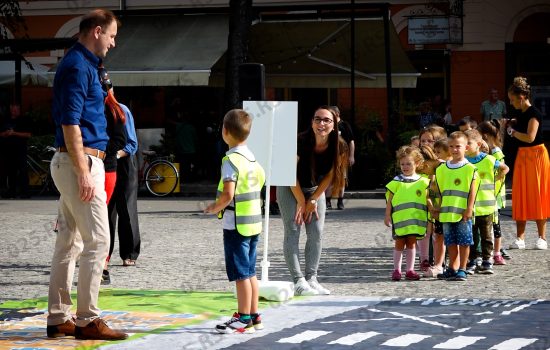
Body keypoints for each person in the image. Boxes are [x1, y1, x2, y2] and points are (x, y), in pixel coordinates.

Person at [46, 9, 127, 340]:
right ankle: (87, 320)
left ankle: (58, 318)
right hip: (80, 162)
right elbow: (71, 123)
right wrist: (83, 172)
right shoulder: (78, 67)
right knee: (99, 241)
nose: (113, 42)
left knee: (69, 242)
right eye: (111, 36)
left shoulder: (83, 64)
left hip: (73, 162)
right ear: (96, 31)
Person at [204, 109, 265, 334]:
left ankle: (244, 318)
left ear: (225, 131)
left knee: (240, 274)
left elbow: (228, 195)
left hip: (236, 224)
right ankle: (254, 314)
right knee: (250, 271)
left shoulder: (230, 161)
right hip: (253, 223)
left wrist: (213, 208)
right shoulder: (253, 159)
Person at [277, 106, 348, 296]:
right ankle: (298, 280)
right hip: (289, 186)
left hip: (315, 190)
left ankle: (312, 278)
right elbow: (288, 173)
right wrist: (301, 201)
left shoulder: (339, 145)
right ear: (312, 122)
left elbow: (332, 175)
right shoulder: (299, 141)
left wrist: (314, 199)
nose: (321, 123)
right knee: (293, 230)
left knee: (316, 233)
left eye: (326, 120)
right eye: (317, 119)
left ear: (334, 125)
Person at [506, 77, 550, 250]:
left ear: (522, 96)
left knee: (538, 194)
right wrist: (511, 125)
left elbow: (530, 137)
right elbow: (519, 125)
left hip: (537, 155)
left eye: (512, 98)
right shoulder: (518, 114)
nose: (511, 102)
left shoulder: (535, 113)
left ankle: (542, 238)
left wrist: (512, 131)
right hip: (523, 155)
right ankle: (520, 238)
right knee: (520, 194)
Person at [433, 131, 478, 281]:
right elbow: (439, 191)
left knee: (464, 241)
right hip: (446, 213)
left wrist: (469, 208)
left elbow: (473, 190)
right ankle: (452, 267)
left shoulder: (470, 168)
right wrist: (437, 207)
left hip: (462, 212)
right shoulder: (441, 169)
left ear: (466, 148)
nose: (454, 149)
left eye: (458, 146)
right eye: (451, 146)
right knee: (450, 241)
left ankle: (463, 269)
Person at [464, 129, 508, 275]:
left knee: (487, 236)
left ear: (478, 144)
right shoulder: (463, 161)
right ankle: (472, 261)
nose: (465, 147)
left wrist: (498, 178)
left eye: (468, 143)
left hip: (487, 206)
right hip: (470, 208)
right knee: (471, 236)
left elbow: (504, 168)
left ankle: (487, 261)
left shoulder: (488, 159)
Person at [384, 146, 432, 281]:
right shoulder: (396, 181)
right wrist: (387, 215)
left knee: (412, 244)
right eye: (402, 164)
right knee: (399, 244)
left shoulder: (423, 181)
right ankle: (397, 270)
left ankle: (410, 270)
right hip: (400, 220)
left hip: (415, 221)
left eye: (408, 164)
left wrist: (432, 211)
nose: (405, 167)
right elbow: (390, 200)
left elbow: (428, 199)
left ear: (417, 164)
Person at [106, 102, 140, 274]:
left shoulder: (122, 110)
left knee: (126, 208)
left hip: (124, 161)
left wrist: (115, 154)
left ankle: (130, 253)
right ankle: (105, 252)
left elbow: (132, 144)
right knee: (106, 209)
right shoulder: (94, 109)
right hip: (106, 162)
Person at [477, 120, 511, 263]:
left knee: (495, 225)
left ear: (484, 136)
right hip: (488, 195)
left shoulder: (496, 152)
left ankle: (497, 252)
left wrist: (493, 181)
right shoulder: (488, 151)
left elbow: (502, 170)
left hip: (494, 195)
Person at [424, 139, 452, 277]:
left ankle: (455, 265)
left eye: (439, 152)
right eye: (434, 152)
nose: (436, 155)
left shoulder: (448, 169)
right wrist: (431, 207)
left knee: (453, 239)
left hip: (450, 211)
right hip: (437, 211)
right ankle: (438, 265)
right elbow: (429, 191)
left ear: (449, 154)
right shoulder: (434, 170)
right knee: (439, 237)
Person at [325, 106, 354, 210]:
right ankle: (327, 201)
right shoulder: (328, 125)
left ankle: (340, 201)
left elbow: (351, 141)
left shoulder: (344, 125)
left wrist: (351, 156)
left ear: (337, 114)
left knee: (342, 178)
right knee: (328, 178)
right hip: (330, 156)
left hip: (342, 156)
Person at [0, 103, 32, 199]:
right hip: (8, 150)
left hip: (20, 150)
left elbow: (28, 134)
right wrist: (5, 133)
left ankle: (25, 192)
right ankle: (11, 192)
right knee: (10, 172)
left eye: (16, 110)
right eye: (13, 110)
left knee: (23, 171)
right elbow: (0, 133)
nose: (14, 112)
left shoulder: (24, 120)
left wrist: (14, 133)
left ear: (19, 110)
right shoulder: (5, 120)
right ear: (10, 110)